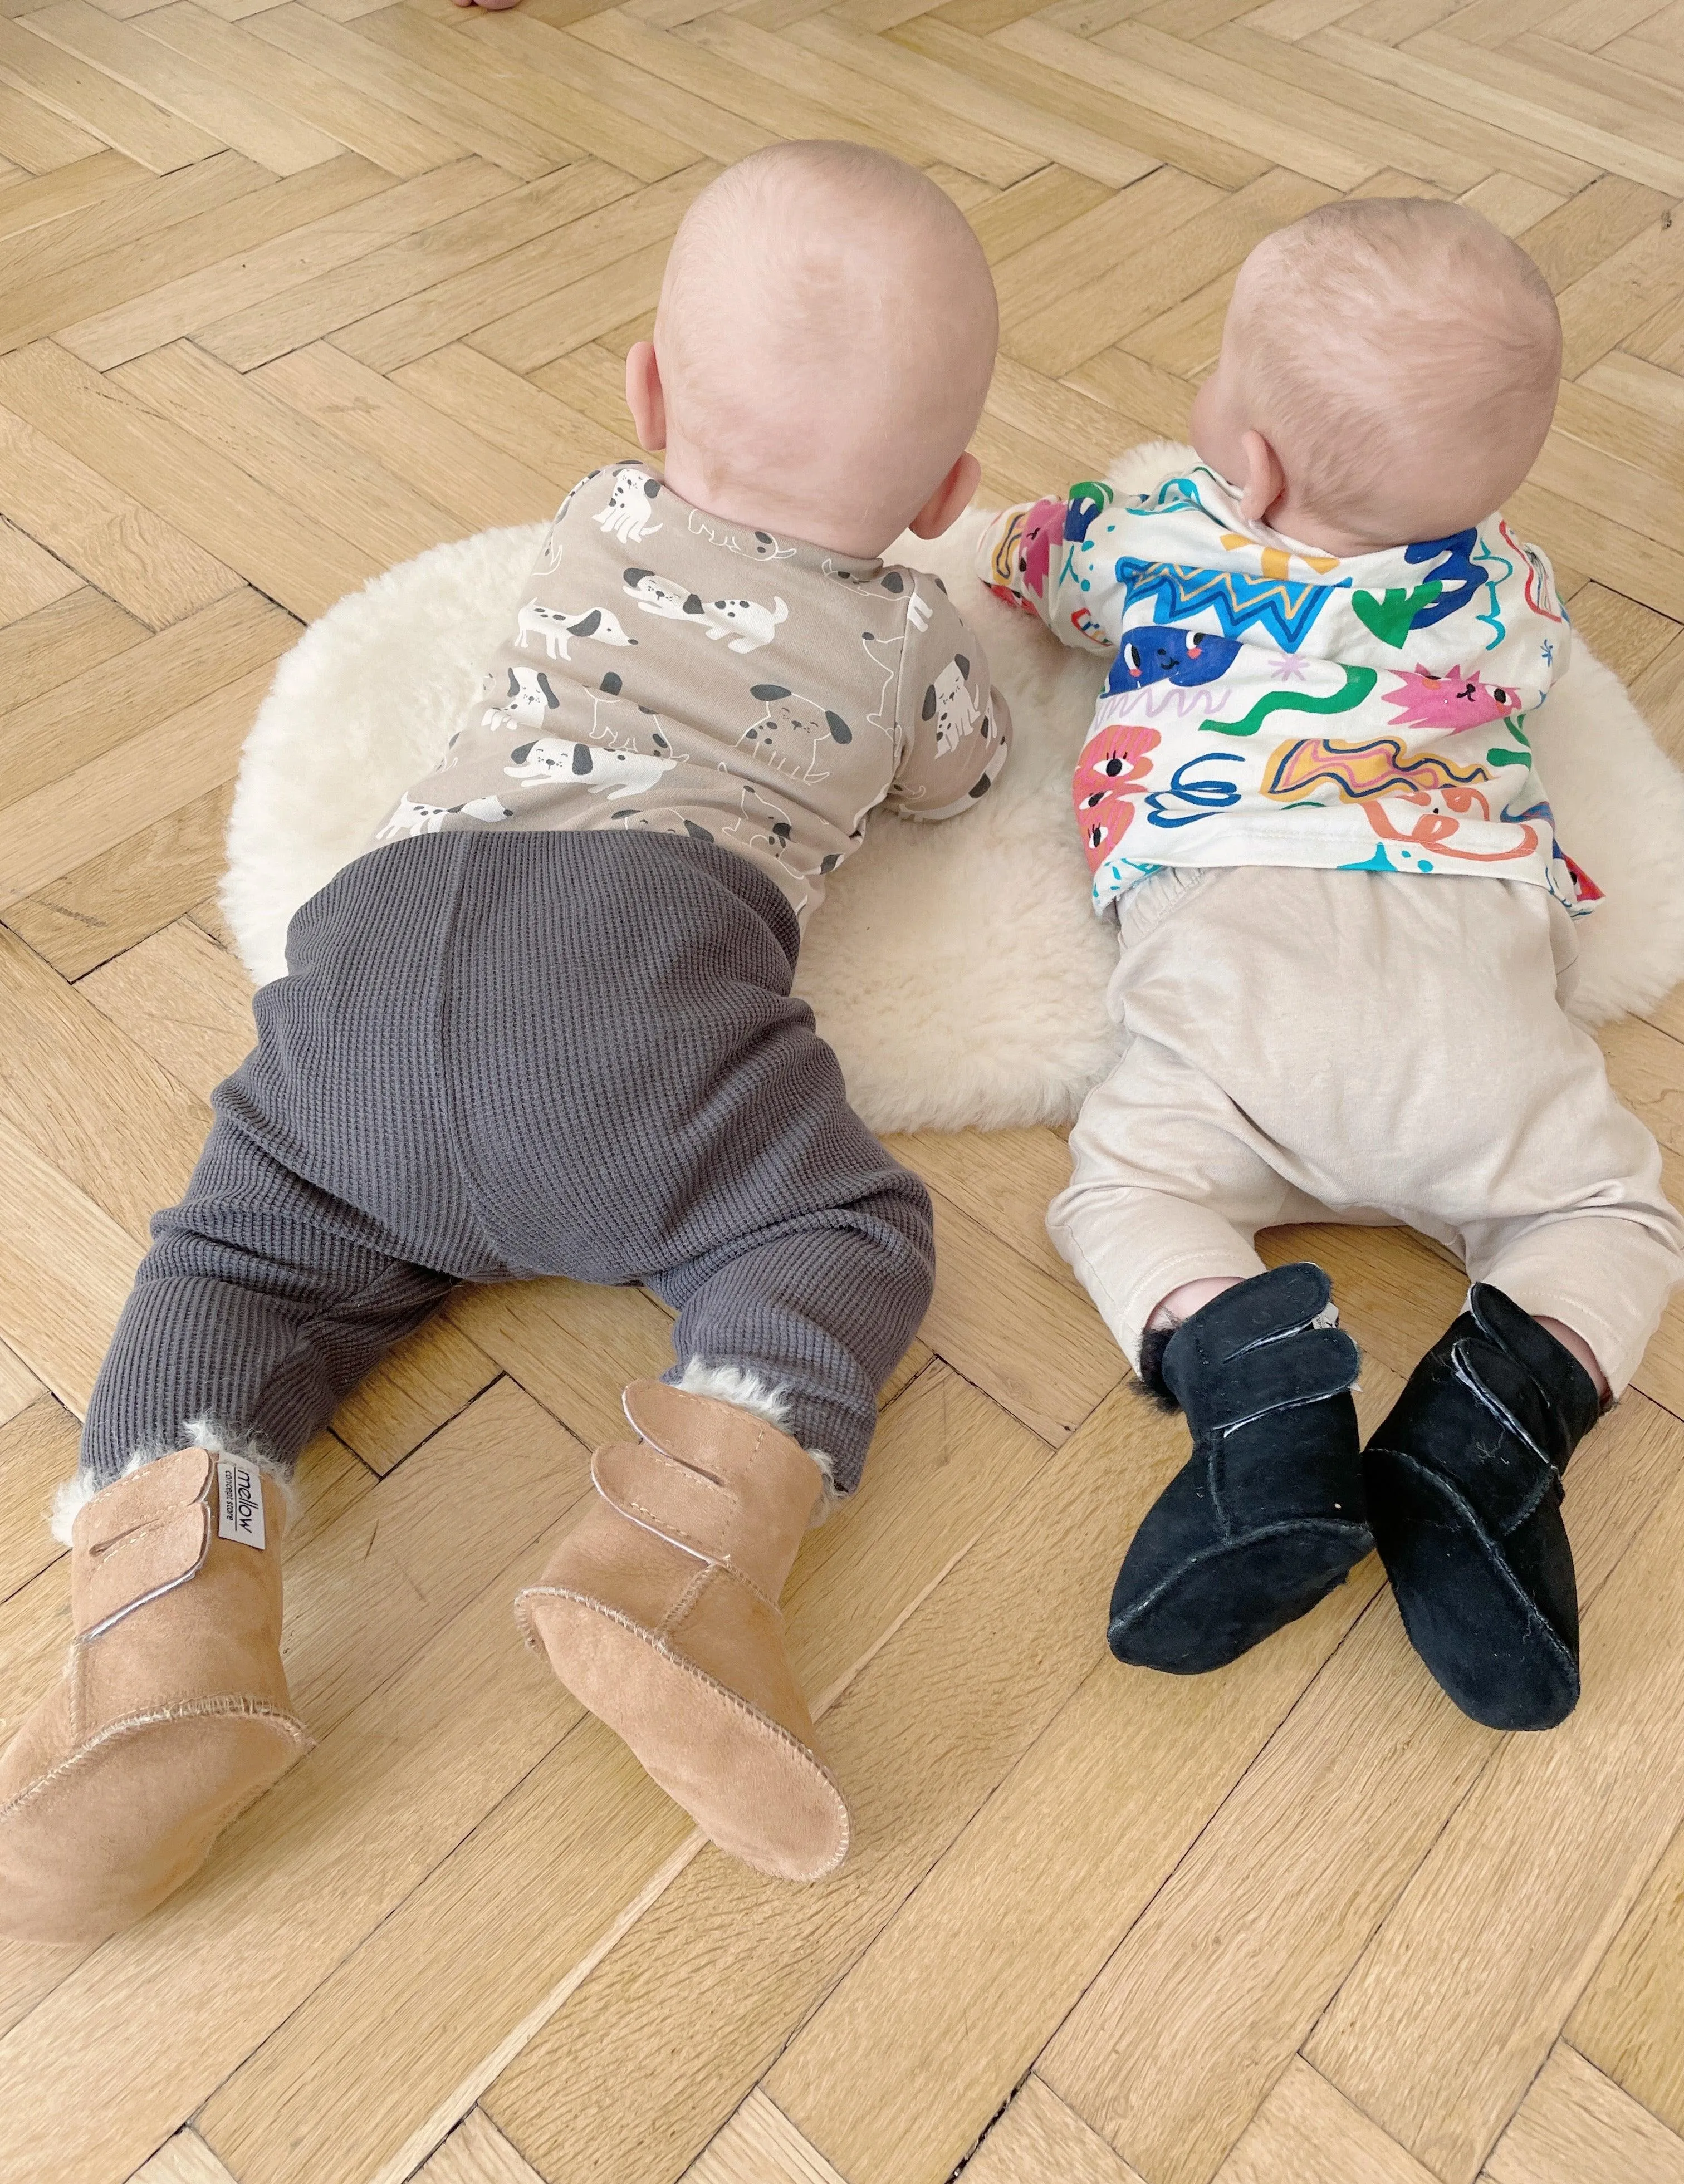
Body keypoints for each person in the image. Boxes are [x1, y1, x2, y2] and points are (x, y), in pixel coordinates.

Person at [0, 142, 1009, 1941]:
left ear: (641, 395)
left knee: (238, 1254)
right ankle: (681, 1558)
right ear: (943, 488)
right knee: (835, 1228)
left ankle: (161, 1634)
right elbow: (965, 776)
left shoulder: (594, 517)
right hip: (645, 976)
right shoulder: (908, 626)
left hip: (380, 947)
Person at [982, 198, 1683, 1734]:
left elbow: (1040, 564)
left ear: (1260, 462)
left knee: (1129, 1192)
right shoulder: (1508, 591)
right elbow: (1540, 666)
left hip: (1237, 971)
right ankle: (1489, 1428)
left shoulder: (1158, 538)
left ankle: (1259, 1391)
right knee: (1609, 1216)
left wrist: (1044, 549)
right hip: (1470, 979)